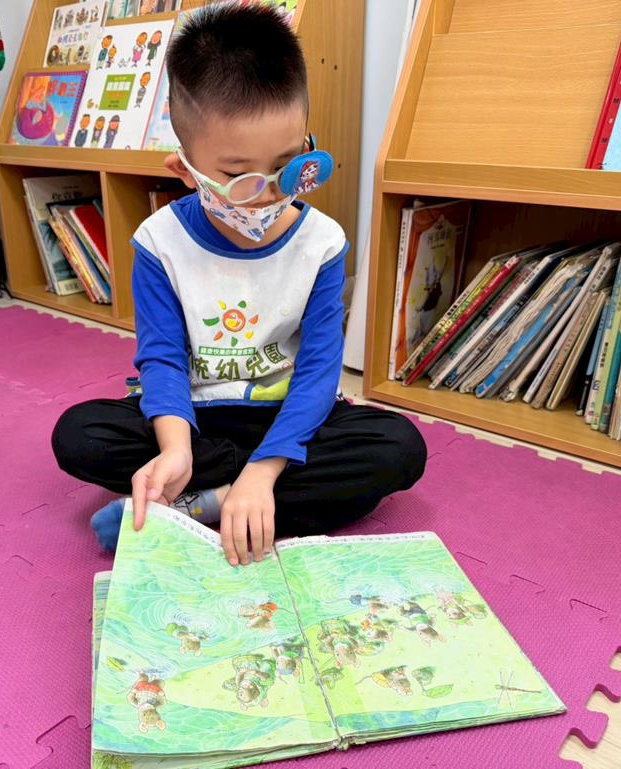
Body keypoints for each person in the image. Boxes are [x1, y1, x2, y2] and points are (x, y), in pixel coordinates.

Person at [51, 3, 426, 567]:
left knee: (398, 447)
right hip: (194, 418)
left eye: (290, 165)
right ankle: (243, 498)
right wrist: (175, 450)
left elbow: (319, 371)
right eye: (238, 176)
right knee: (79, 435)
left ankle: (210, 503)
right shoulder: (159, 242)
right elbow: (162, 359)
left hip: (286, 413)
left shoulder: (322, 242)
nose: (270, 194)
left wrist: (264, 467)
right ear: (186, 170)